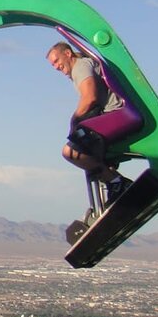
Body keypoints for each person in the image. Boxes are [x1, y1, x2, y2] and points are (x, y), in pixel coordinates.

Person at [46, 41, 130, 204]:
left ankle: (117, 182)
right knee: (81, 145)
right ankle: (112, 181)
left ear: (68, 54)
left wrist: (74, 120)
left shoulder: (81, 66)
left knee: (71, 152)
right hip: (108, 114)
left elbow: (89, 97)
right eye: (53, 65)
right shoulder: (81, 67)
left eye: (56, 61)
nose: (56, 67)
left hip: (114, 114)